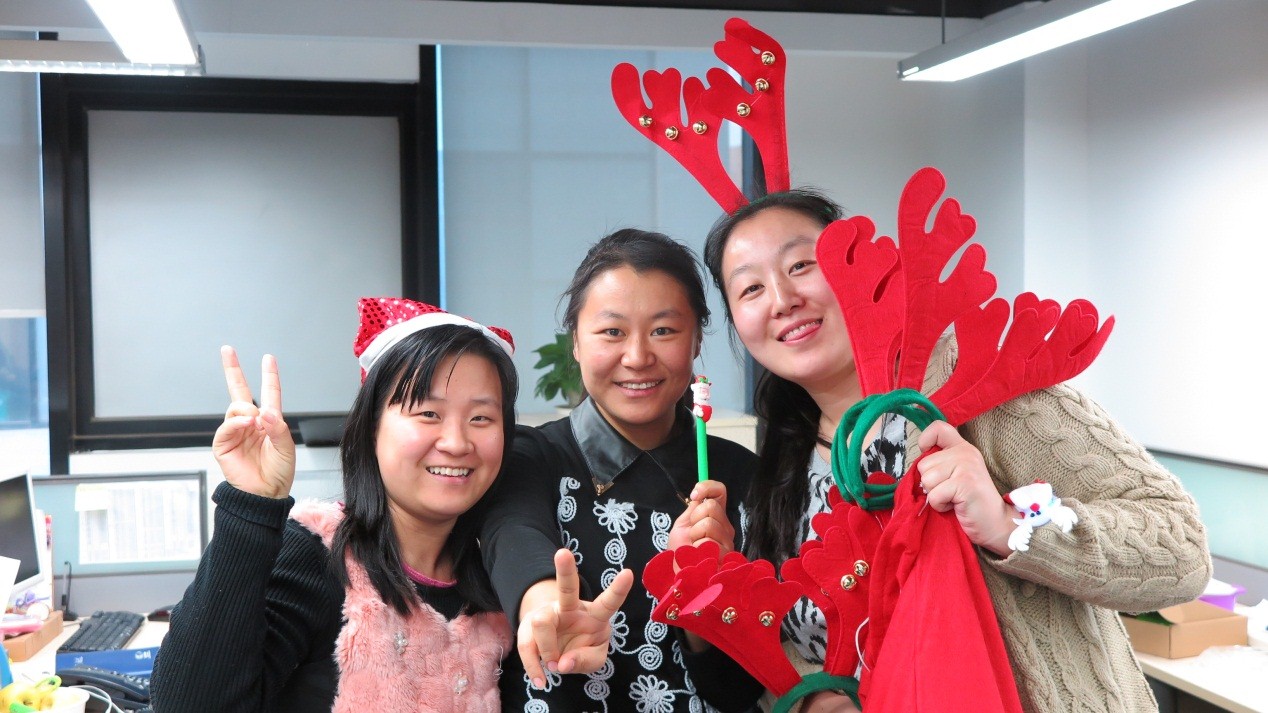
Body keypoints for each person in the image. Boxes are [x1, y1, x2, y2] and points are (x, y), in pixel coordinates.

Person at [700, 190, 1213, 713]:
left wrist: (1009, 524)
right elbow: (799, 646)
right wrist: (811, 699)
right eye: (751, 288)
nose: (783, 299)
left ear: (861, 268)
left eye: (801, 265)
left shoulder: (978, 382)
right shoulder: (777, 470)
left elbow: (1183, 549)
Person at [151, 299, 551, 712]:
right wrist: (251, 506)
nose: (456, 442)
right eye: (429, 413)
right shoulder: (316, 556)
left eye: (481, 418)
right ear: (372, 426)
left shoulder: (501, 582)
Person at [480, 228, 763, 712]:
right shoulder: (531, 456)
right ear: (575, 342)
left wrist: (703, 598)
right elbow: (513, 535)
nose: (637, 357)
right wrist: (545, 604)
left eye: (663, 331)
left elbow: (737, 693)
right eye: (612, 332)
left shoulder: (739, 476)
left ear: (697, 339)